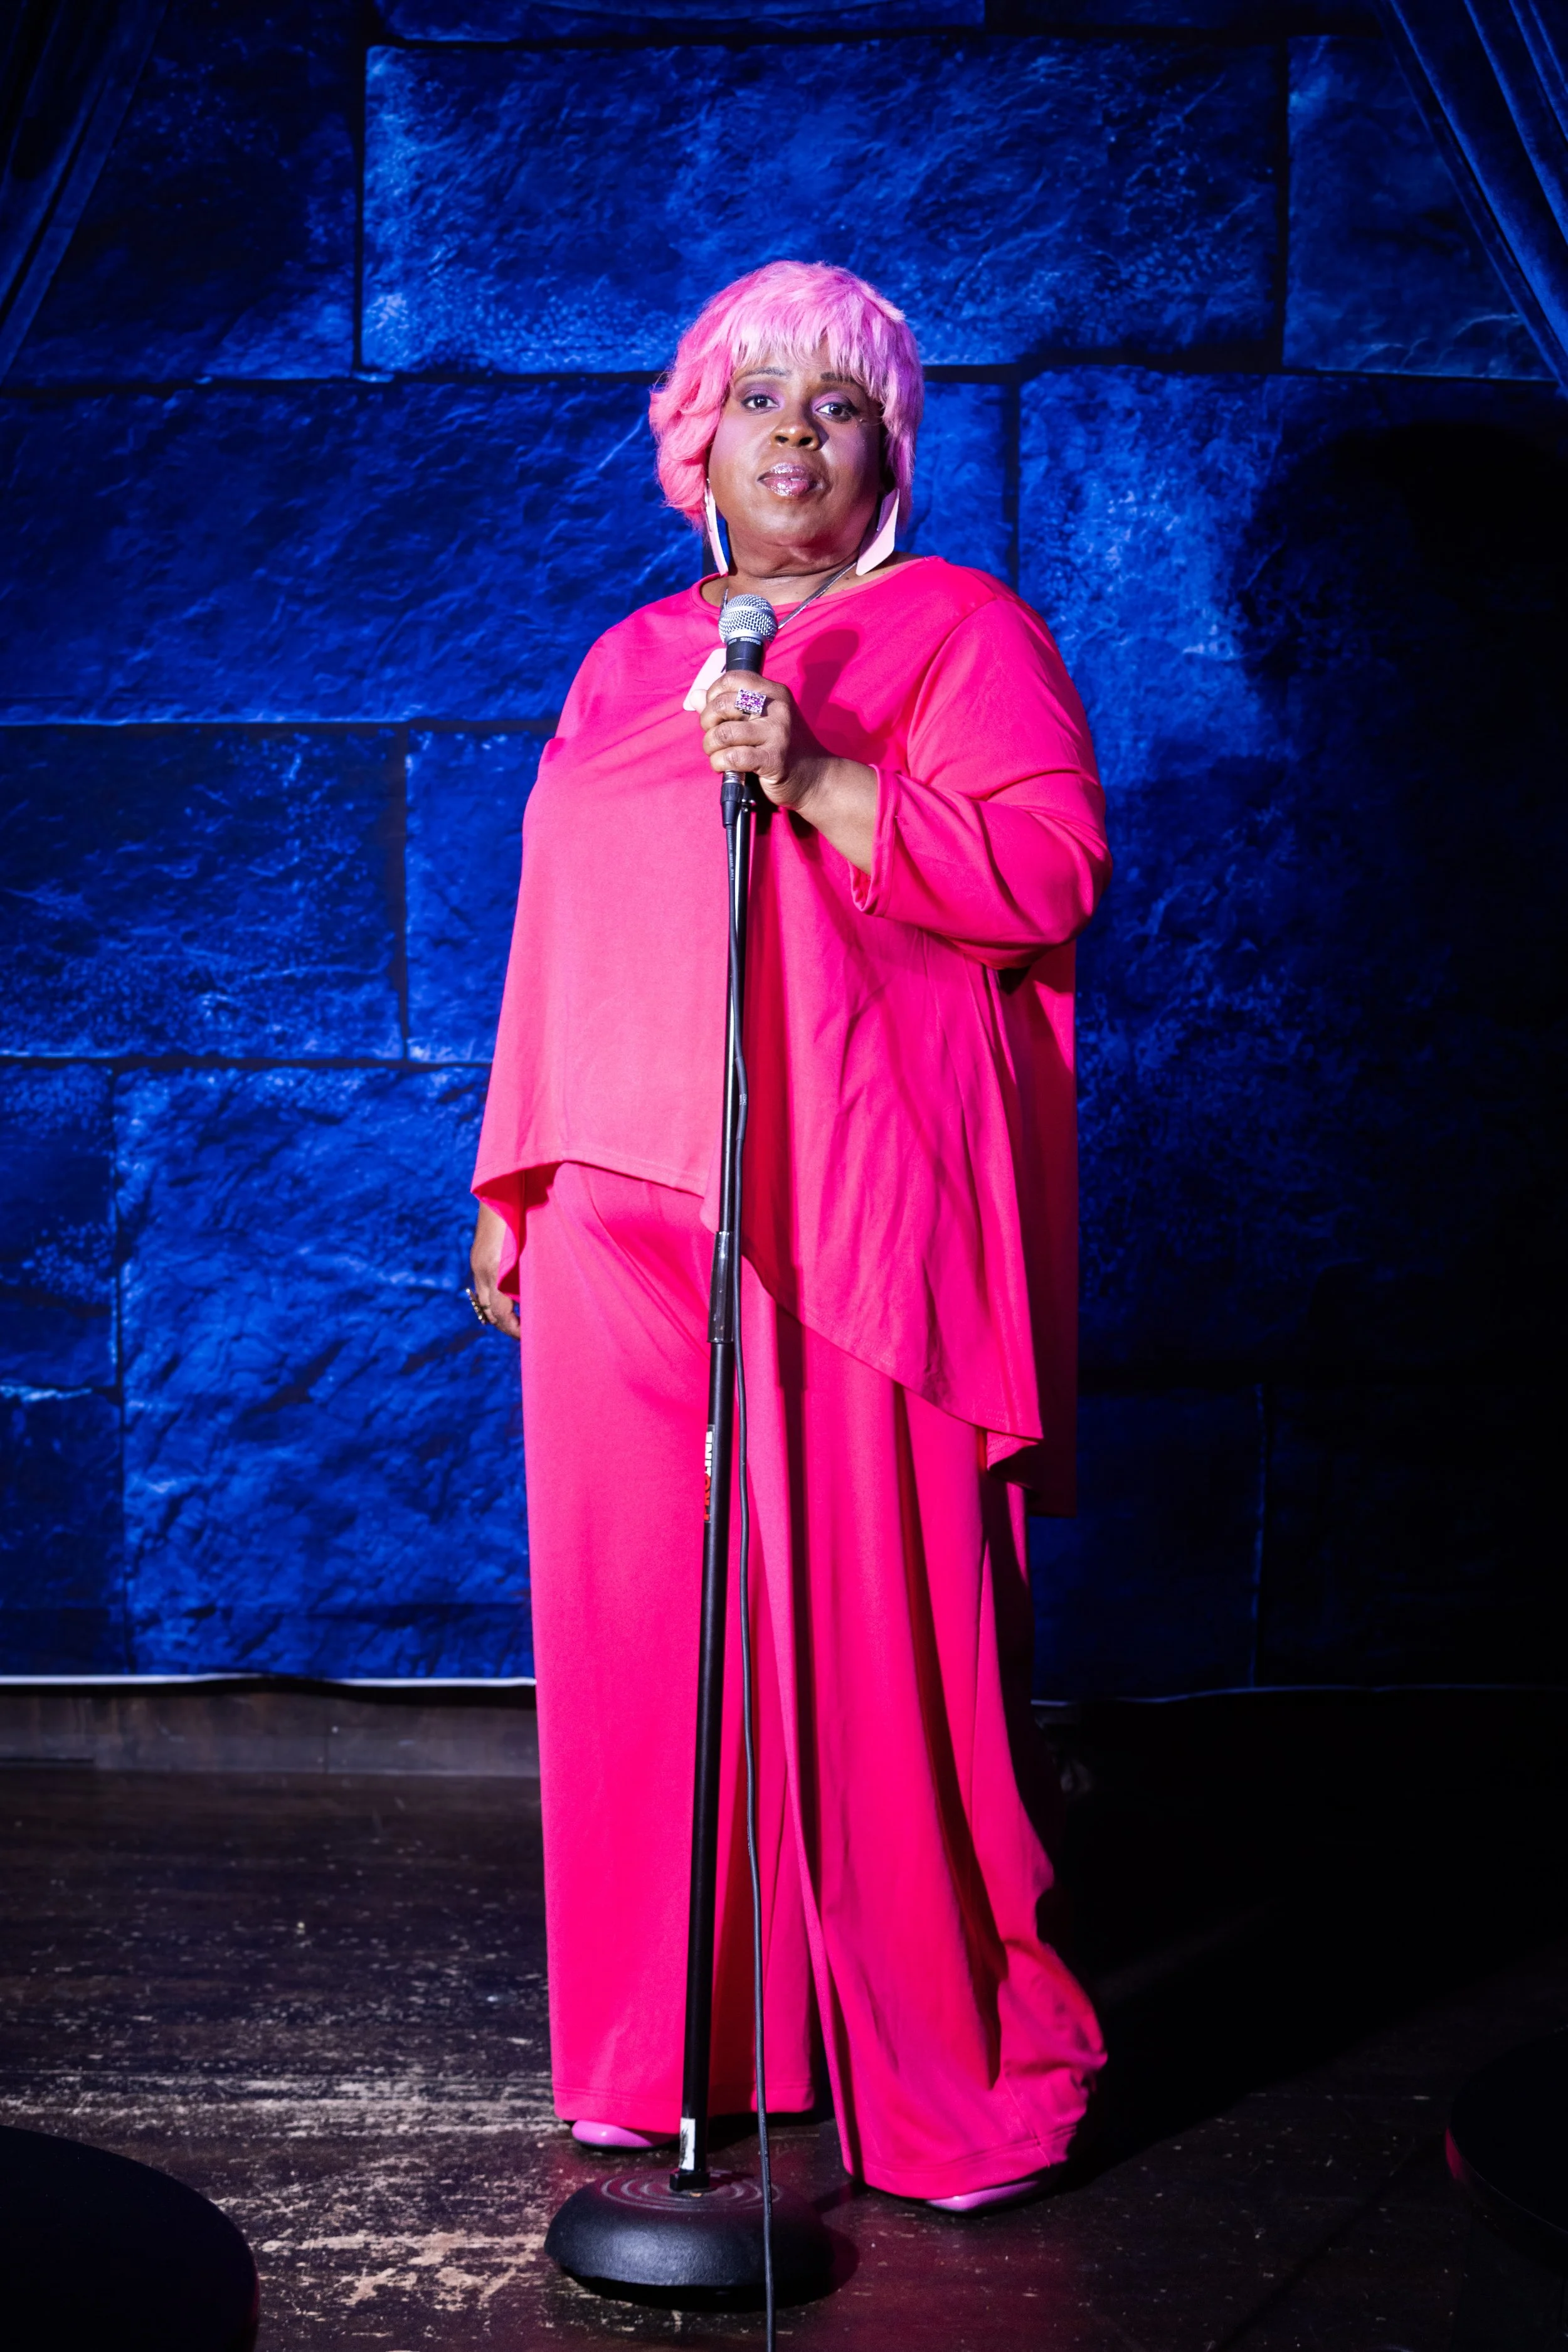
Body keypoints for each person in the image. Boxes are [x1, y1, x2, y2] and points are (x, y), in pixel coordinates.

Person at [467, 260, 1111, 2210]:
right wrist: (508, 1177)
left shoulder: (962, 632)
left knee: (865, 1643)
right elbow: (557, 922)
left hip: (840, 1211)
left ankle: (939, 2083)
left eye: (837, 405)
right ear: (698, 442)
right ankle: (676, 2051)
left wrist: (821, 778)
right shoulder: (621, 662)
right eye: (757, 400)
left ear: (886, 448)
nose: (794, 436)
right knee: (633, 1637)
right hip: (612, 1202)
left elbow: (1049, 871)